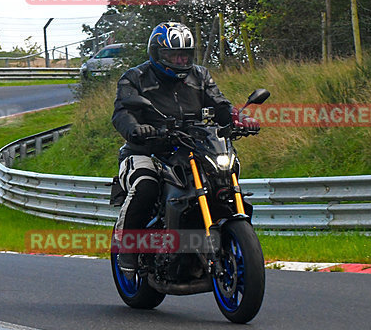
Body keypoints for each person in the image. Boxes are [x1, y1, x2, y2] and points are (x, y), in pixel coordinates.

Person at [110, 22, 259, 278]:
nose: (179, 61)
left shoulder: (200, 76)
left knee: (224, 175)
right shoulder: (134, 78)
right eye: (172, 55)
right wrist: (137, 129)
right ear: (157, 53)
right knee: (145, 185)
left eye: (184, 55)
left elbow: (221, 104)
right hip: (147, 151)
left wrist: (238, 119)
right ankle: (128, 248)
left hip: (192, 147)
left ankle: (227, 245)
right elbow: (123, 112)